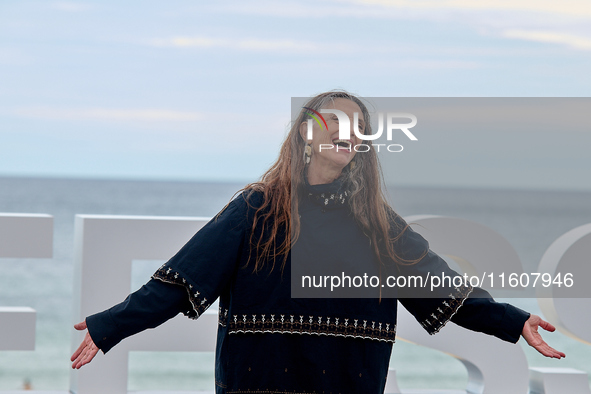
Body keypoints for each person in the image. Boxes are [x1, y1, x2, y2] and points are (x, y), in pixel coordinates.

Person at [71, 91, 565, 393]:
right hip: (259, 384)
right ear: (307, 135)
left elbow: (441, 288)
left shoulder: (377, 224)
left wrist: (515, 320)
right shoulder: (257, 207)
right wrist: (111, 325)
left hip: (350, 383)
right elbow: (183, 281)